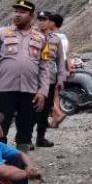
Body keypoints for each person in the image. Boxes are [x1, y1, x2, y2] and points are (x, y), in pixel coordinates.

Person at [0, 0, 50, 152]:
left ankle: (21, 163)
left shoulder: (41, 38)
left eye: (22, 12)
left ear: (31, 16)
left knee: (26, 128)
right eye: (16, 11)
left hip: (30, 91)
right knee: (0, 127)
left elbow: (45, 67)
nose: (17, 14)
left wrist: (43, 92)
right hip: (5, 89)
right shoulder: (1, 34)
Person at [33, 11, 67, 147]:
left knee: (46, 110)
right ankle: (26, 139)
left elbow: (60, 60)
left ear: (50, 22)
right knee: (29, 110)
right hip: (32, 80)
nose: (41, 21)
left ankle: (40, 137)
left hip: (50, 79)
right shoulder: (31, 36)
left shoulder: (56, 39)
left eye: (44, 19)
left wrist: (61, 79)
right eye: (39, 19)